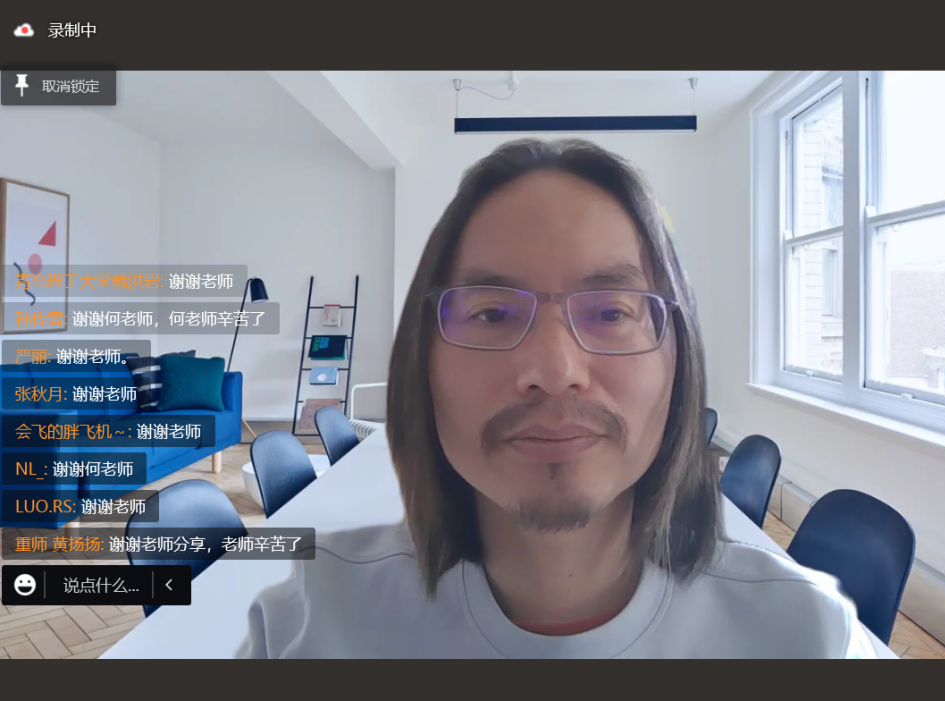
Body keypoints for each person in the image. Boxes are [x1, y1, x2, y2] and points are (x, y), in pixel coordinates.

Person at [237, 139, 878, 658]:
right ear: (420, 363)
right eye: (491, 313)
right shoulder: (309, 625)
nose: (554, 370)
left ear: (678, 361)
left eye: (611, 312)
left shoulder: (807, 638)